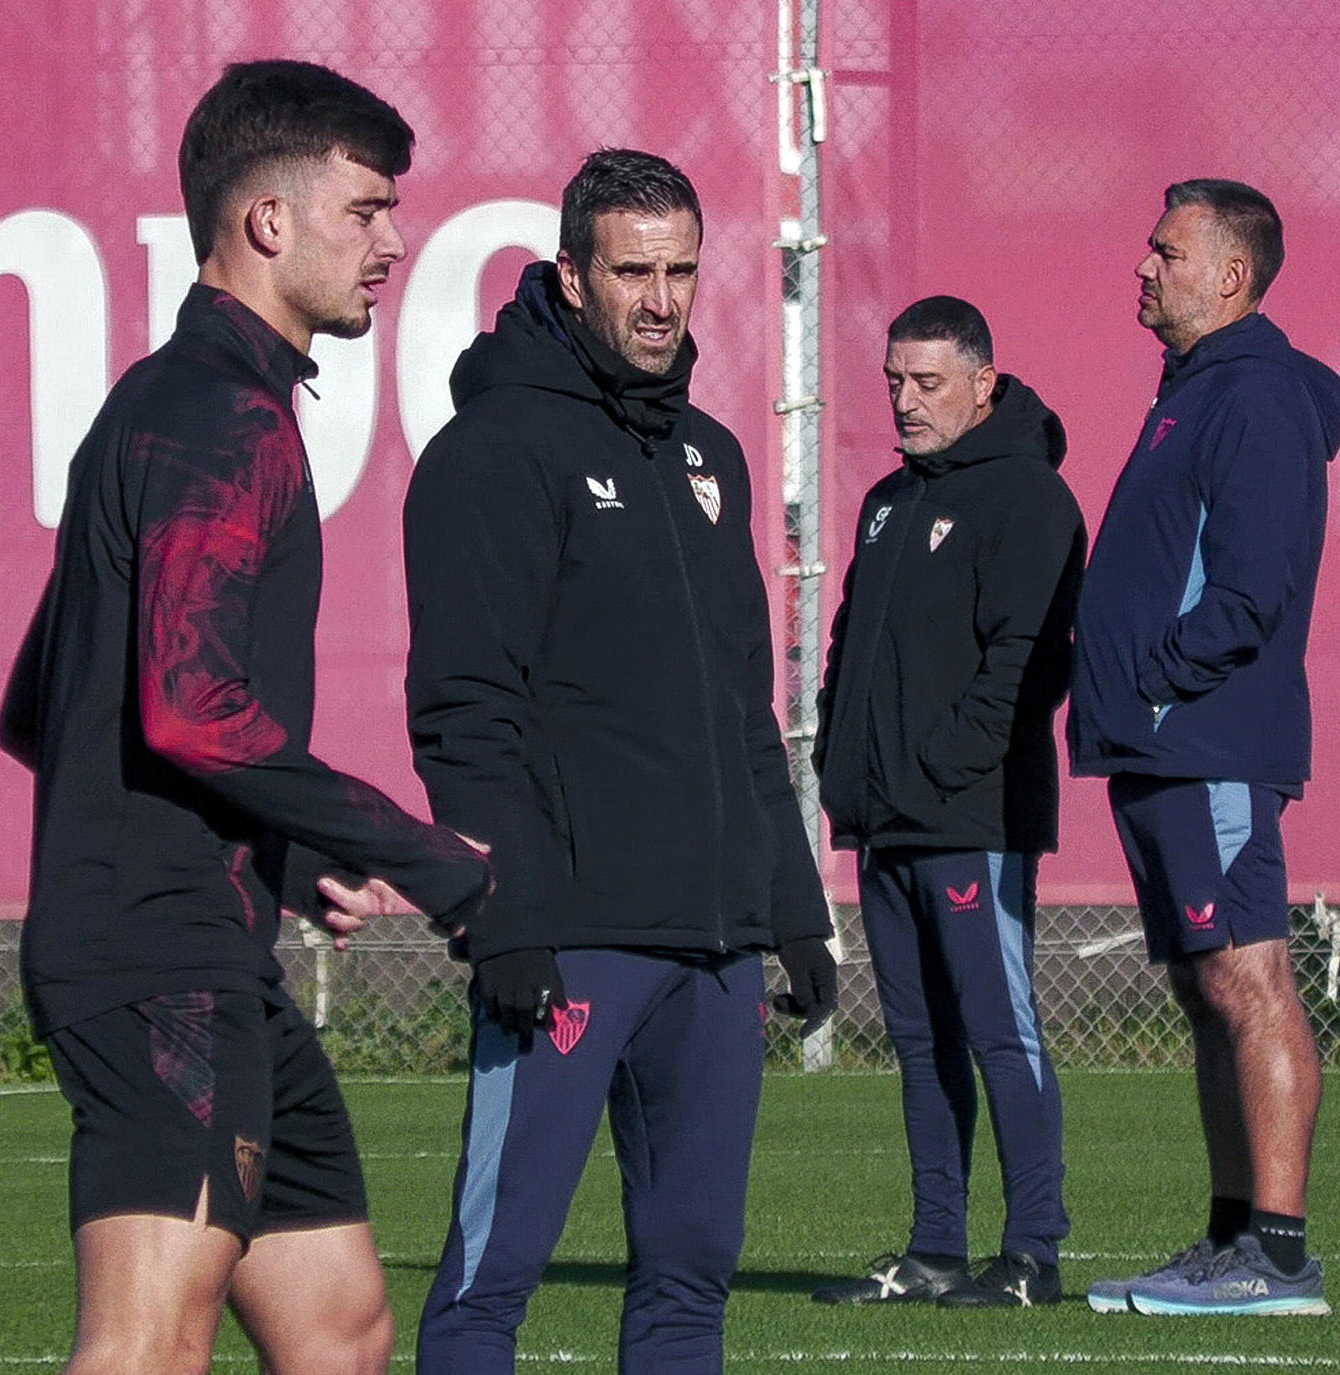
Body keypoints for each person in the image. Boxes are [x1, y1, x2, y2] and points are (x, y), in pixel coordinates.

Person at [0, 60, 492, 1375]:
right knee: (148, 1343)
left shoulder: (187, 403)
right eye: (367, 210)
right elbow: (193, 704)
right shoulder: (219, 418)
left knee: (340, 1323)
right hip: (158, 963)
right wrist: (428, 857)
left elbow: (42, 698)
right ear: (269, 221)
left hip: (212, 955)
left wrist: (289, 847)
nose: (392, 243)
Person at [402, 147, 837, 1374]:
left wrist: (791, 912)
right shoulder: (494, 451)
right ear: (571, 276)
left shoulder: (710, 455)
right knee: (492, 1282)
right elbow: (462, 708)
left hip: (712, 948)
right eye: (633, 270)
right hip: (571, 932)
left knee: (692, 1282)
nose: (660, 299)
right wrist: (508, 917)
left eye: (682, 271)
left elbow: (745, 713)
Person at [1068, 178, 1340, 1316]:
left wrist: (1159, 683)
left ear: (1230, 275)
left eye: (1166, 249)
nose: (1145, 263)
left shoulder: (1256, 395)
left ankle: (1278, 1256)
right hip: (1161, 743)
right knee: (1205, 985)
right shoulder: (1197, 389)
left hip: (1204, 739)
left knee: (1249, 975)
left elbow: (1252, 589)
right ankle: (1233, 1237)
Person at [809, 296, 1085, 1309]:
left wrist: (941, 768)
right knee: (919, 1039)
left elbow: (1028, 664)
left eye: (928, 383)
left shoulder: (1031, 499)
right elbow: (846, 648)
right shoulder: (888, 501)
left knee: (999, 1027)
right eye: (894, 380)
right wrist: (848, 768)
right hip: (884, 823)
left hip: (974, 821)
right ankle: (935, 1248)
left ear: (983, 380)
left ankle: (1032, 1253)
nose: (906, 400)